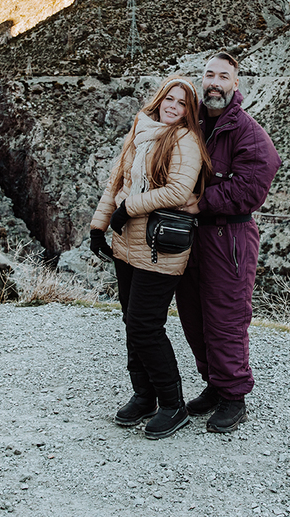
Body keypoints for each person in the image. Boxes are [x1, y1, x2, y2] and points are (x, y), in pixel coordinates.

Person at [90, 75, 211, 440]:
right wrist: (100, 225)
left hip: (160, 248)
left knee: (146, 326)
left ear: (189, 112)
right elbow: (118, 181)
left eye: (182, 103)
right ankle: (144, 396)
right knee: (132, 323)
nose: (173, 106)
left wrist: (130, 208)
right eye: (169, 99)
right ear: (159, 100)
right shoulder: (141, 130)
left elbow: (179, 189)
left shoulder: (185, 141)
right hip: (127, 244)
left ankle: (173, 405)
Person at [175, 52, 282, 433]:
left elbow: (254, 185)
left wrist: (202, 202)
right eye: (209, 75)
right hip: (192, 238)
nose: (215, 82)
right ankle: (215, 385)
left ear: (235, 84)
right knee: (193, 315)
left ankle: (234, 397)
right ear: (201, 80)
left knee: (225, 317)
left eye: (223, 76)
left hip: (229, 238)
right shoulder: (194, 124)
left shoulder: (247, 131)